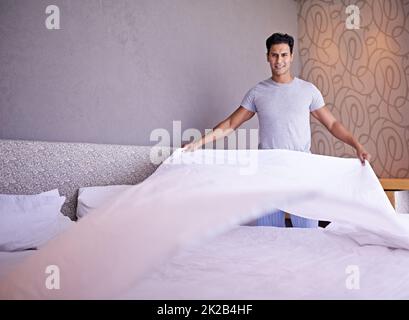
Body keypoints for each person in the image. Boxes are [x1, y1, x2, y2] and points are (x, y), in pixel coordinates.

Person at [183, 32, 371, 228]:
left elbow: (332, 124)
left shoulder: (308, 90)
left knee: (308, 234)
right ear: (267, 57)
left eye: (283, 55)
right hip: (268, 173)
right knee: (268, 235)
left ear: (291, 56)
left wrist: (356, 145)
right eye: (274, 55)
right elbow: (231, 124)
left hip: (302, 172)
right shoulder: (258, 92)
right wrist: (198, 143)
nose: (279, 60)